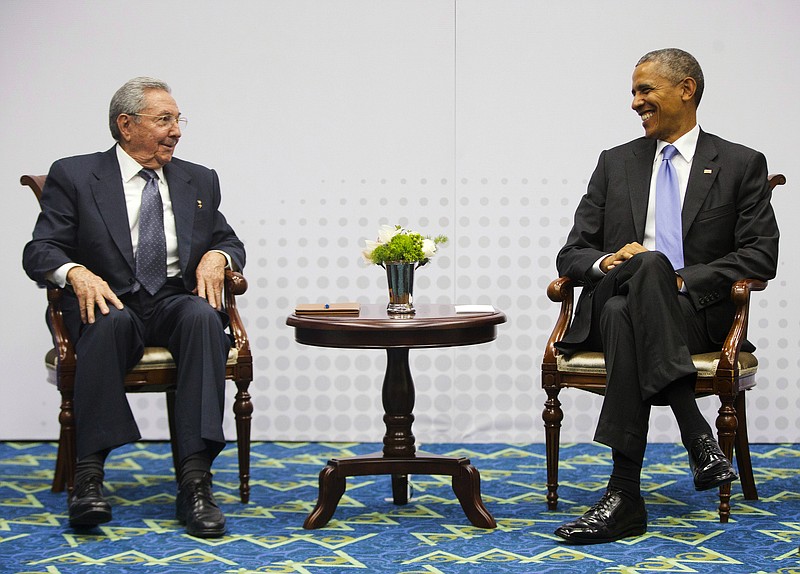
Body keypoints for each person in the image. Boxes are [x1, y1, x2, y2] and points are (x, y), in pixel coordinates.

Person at [552, 49, 779, 544]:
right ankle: (695, 431)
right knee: (631, 286)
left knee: (630, 297)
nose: (635, 102)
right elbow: (571, 254)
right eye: (634, 92)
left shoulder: (741, 163)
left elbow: (761, 258)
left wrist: (681, 279)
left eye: (645, 90)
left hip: (698, 314)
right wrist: (608, 261)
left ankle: (624, 496)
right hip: (624, 297)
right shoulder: (615, 163)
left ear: (687, 89)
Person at [23, 77, 246, 538]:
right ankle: (88, 479)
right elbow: (40, 250)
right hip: (106, 299)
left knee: (204, 318)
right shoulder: (76, 174)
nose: (177, 130)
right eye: (164, 119)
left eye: (178, 119)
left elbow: (227, 238)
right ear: (126, 125)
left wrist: (217, 256)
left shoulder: (197, 179)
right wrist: (75, 273)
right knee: (109, 319)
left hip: (170, 301)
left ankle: (195, 483)